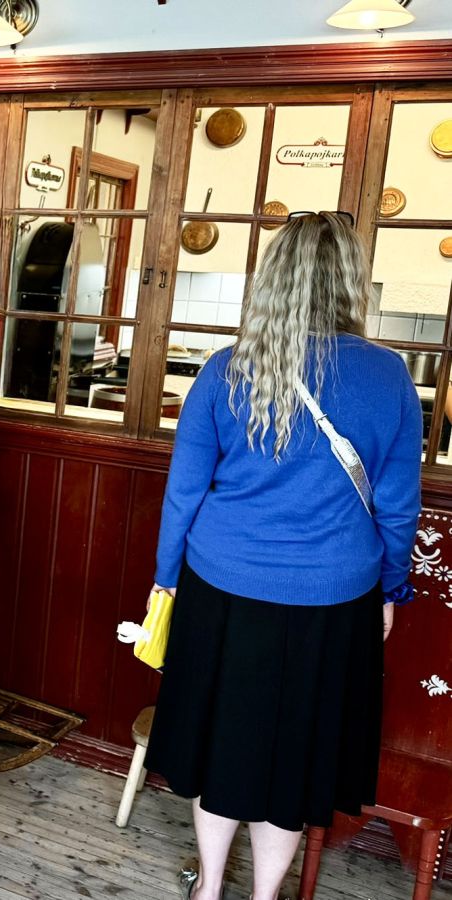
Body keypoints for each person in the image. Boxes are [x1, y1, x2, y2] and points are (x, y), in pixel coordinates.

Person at [146, 212, 422, 900]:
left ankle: (210, 888)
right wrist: (391, 590)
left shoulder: (223, 370)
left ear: (269, 281)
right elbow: (397, 508)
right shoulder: (388, 376)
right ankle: (265, 895)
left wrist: (166, 580)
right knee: (293, 760)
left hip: (221, 586)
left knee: (221, 745)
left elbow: (183, 493)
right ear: (352, 283)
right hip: (335, 597)